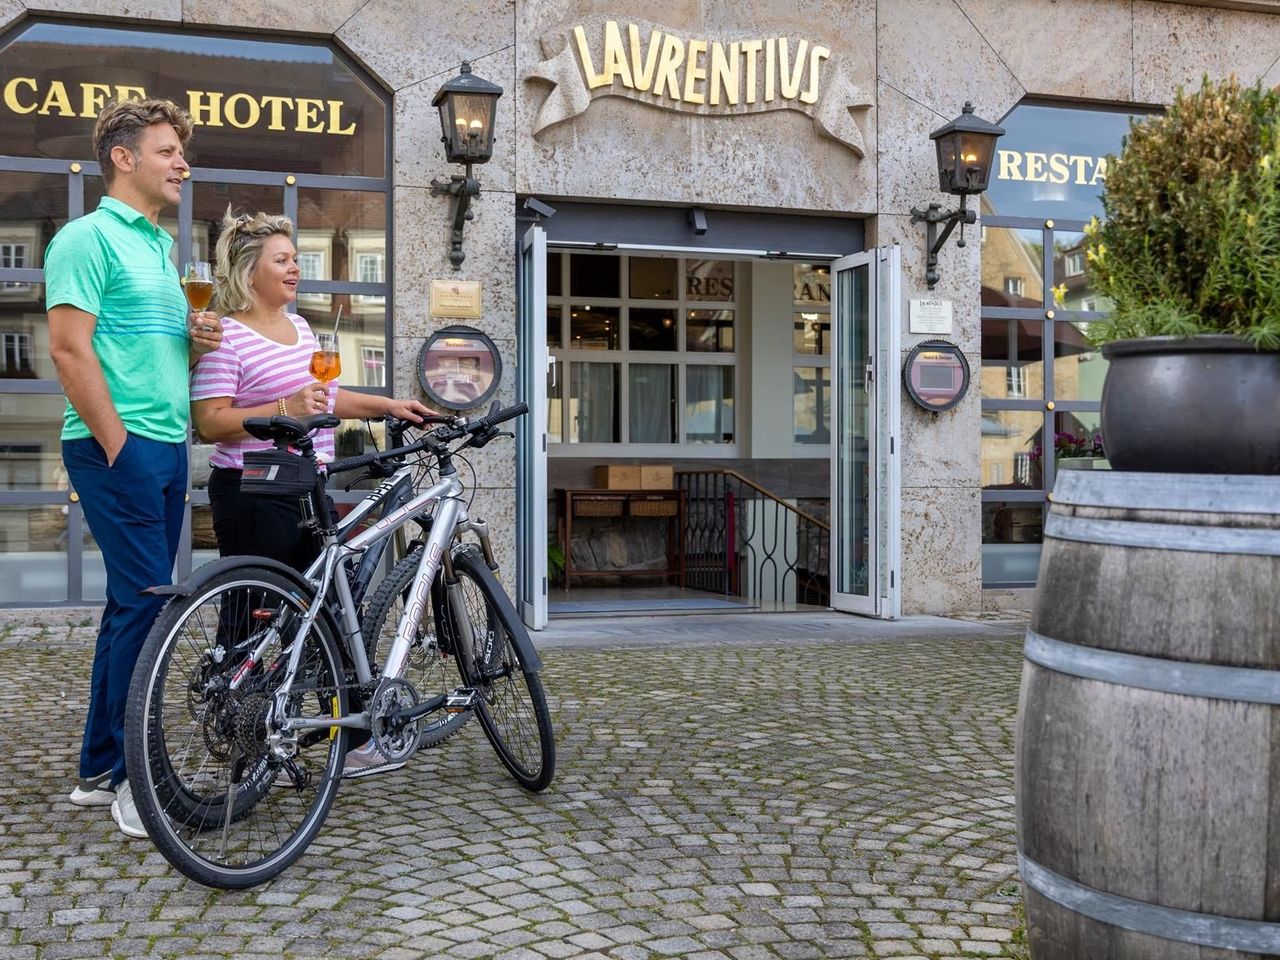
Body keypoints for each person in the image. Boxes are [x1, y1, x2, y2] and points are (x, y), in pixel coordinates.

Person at [190, 208, 433, 776]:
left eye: (296, 258)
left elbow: (327, 397)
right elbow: (209, 422)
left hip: (307, 486)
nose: (296, 268)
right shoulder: (226, 333)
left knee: (327, 608)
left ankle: (344, 740)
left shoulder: (300, 328)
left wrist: (387, 406)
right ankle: (241, 736)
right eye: (283, 260)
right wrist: (283, 409)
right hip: (251, 490)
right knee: (252, 618)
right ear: (250, 271)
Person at [47, 98, 223, 838]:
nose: (182, 163)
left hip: (165, 442)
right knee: (152, 606)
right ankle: (134, 783)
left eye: (180, 152)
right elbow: (67, 348)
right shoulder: (84, 239)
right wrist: (118, 443)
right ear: (123, 158)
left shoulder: (158, 247)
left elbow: (153, 353)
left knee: (131, 605)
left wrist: (198, 339)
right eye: (166, 152)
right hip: (116, 446)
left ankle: (98, 767)